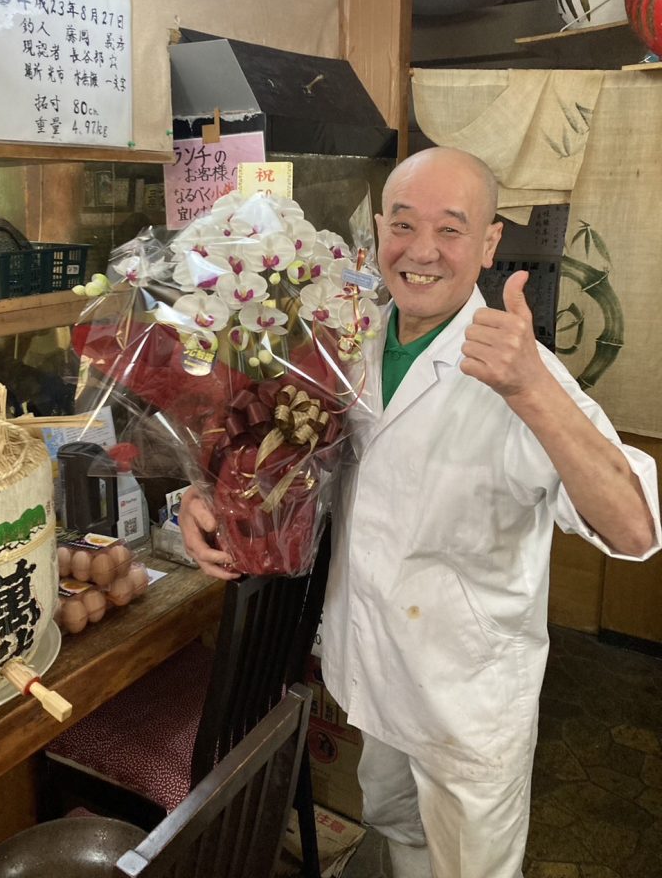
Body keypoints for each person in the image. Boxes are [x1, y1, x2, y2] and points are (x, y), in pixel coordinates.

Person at [179, 147, 661, 878]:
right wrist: (204, 493)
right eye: (403, 225)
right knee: (397, 833)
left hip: (464, 698)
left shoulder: (520, 371)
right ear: (378, 232)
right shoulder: (351, 340)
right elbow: (278, 452)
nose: (422, 250)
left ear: (490, 243)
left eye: (451, 229)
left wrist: (532, 390)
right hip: (373, 670)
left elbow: (635, 530)